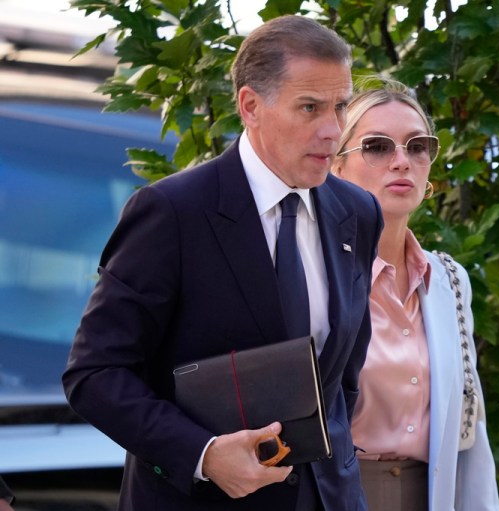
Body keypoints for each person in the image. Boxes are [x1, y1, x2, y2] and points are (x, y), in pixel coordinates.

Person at [62, 15, 383, 511]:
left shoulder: (357, 212)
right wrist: (205, 456)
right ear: (250, 106)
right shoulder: (172, 212)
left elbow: (342, 379)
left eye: (341, 107)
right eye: (310, 108)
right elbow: (95, 374)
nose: (334, 130)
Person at [332, 78, 499, 511]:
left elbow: (469, 437)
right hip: (335, 497)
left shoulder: (449, 279)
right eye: (377, 147)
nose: (402, 161)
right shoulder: (315, 272)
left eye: (417, 145)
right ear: (336, 165)